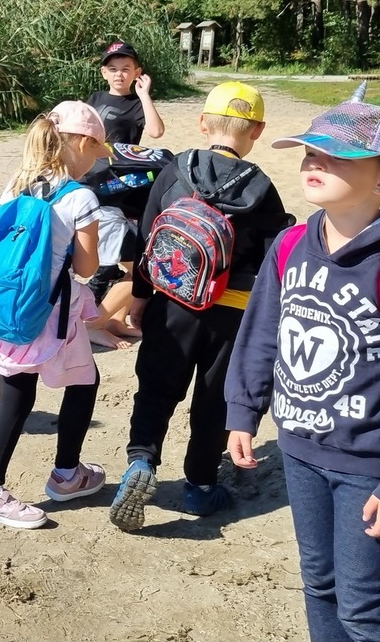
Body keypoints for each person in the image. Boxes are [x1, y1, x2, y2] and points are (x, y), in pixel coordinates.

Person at [225, 95, 380, 642]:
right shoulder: (289, 246)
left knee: (362, 607)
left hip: (369, 462)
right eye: (309, 152)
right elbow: (261, 333)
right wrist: (242, 410)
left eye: (336, 157)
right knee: (318, 584)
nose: (314, 163)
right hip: (299, 450)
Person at [108, 82, 292, 530]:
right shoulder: (261, 188)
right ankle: (201, 486)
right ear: (257, 130)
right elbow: (272, 260)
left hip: (172, 301)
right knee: (214, 401)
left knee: (156, 388)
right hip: (231, 314)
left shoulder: (175, 169)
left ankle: (141, 460)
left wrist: (140, 297)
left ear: (203, 123)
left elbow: (147, 238)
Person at [0, 101, 111, 529]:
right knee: (83, 382)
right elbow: (86, 268)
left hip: (8, 307)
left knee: (16, 398)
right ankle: (62, 476)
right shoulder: (80, 197)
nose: (95, 163)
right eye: (96, 152)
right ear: (82, 143)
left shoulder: (17, 183)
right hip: (50, 314)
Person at [86, 41, 167, 343]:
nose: (119, 74)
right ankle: (96, 323)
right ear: (103, 72)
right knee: (139, 266)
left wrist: (144, 95)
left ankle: (114, 321)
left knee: (139, 264)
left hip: (126, 189)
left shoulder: (136, 103)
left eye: (126, 69)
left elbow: (156, 132)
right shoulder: (94, 99)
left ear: (137, 72)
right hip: (96, 186)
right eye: (113, 69)